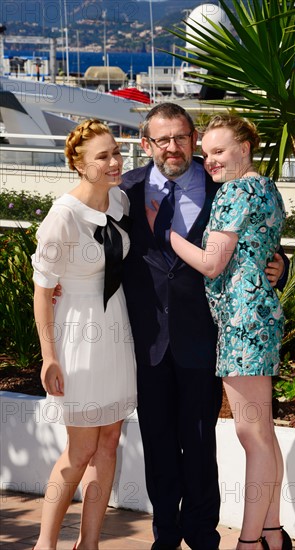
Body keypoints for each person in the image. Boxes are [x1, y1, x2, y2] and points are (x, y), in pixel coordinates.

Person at [120, 103, 289, 550]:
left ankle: (202, 534)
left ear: (193, 138)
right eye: (163, 139)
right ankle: (166, 535)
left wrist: (281, 265)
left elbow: (255, 240)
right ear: (146, 144)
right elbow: (104, 249)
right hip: (150, 338)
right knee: (158, 443)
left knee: (201, 444)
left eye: (182, 137)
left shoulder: (222, 180)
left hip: (210, 334)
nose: (174, 147)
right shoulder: (128, 189)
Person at [32, 119, 137, 550]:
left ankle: (89, 543)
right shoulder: (63, 216)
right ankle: (45, 544)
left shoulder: (121, 200)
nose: (115, 162)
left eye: (116, 152)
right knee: (79, 452)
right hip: (78, 334)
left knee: (109, 441)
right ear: (78, 164)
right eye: (103, 156)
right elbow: (42, 292)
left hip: (117, 328)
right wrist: (48, 356)